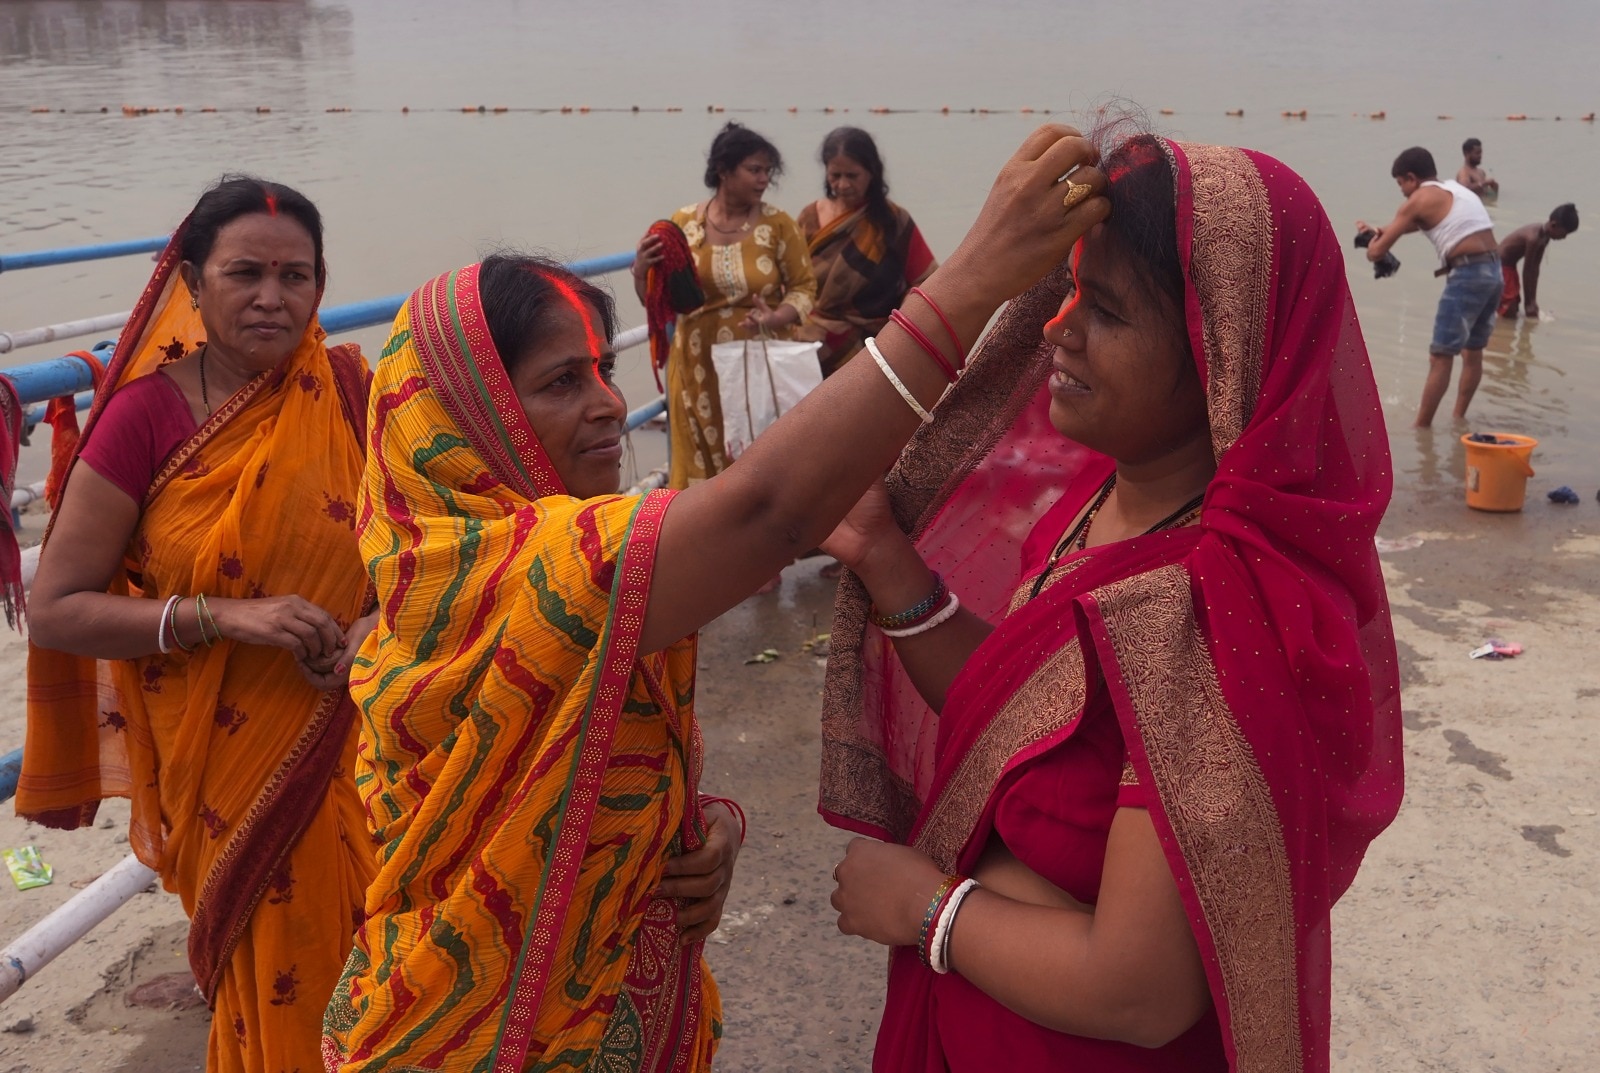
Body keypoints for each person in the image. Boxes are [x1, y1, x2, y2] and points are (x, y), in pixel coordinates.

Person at [322, 125, 1115, 1071]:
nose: (614, 405)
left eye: (606, 370)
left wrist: (711, 829)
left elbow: (589, 750)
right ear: (470, 421)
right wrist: (978, 274)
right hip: (479, 1037)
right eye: (562, 383)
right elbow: (770, 511)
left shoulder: (470, 566)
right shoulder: (517, 570)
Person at [817, 134, 1402, 1071]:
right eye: (1069, 290)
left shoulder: (1218, 605)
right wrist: (890, 562)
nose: (1057, 328)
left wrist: (926, 910)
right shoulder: (1108, 500)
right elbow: (1026, 716)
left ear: (1222, 362)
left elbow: (1140, 989)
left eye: (1111, 311)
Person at [19, 177, 378, 1073]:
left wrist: (374, 625)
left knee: (381, 980)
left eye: (295, 275)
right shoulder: (147, 415)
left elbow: (420, 549)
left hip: (363, 743)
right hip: (222, 769)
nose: (271, 296)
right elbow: (59, 607)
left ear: (321, 284)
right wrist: (224, 617)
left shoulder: (346, 391)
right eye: (245, 272)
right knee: (277, 991)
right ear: (192, 279)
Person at [632, 122, 817, 488]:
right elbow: (659, 302)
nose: (764, 179)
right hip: (696, 366)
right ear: (723, 170)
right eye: (754, 170)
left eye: (768, 171)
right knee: (702, 463)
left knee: (759, 457)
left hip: (757, 362)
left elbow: (804, 287)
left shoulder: (779, 225)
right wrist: (641, 271)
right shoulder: (683, 224)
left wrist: (776, 315)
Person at [1358, 146, 1499, 426]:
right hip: (1494, 271)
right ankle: (1459, 418)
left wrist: (1371, 247)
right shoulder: (1456, 190)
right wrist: (1379, 231)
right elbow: (1416, 224)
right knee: (1473, 352)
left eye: (1401, 183)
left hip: (1467, 274)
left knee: (1440, 356)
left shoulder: (1418, 199)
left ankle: (1421, 428)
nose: (1402, 191)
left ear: (1411, 177)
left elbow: (1377, 252)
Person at [795, 127, 939, 375]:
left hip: (875, 350)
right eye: (835, 175)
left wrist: (900, 326)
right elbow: (791, 282)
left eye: (852, 175)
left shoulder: (894, 222)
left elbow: (925, 281)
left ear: (872, 173)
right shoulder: (810, 218)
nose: (842, 184)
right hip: (809, 347)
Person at [1497, 203, 1579, 318]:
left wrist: (1533, 301)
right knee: (1509, 308)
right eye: (1564, 233)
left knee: (1514, 306)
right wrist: (1528, 304)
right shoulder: (1534, 238)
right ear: (1554, 225)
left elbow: (1535, 270)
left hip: (1510, 266)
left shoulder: (1544, 238)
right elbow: (1527, 271)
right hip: (1499, 265)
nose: (1564, 238)